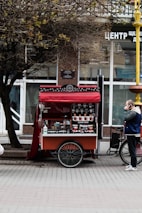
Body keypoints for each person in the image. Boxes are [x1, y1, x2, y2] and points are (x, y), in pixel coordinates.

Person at [124, 99, 141, 171]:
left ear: (130, 105)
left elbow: (125, 118)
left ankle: (133, 166)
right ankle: (132, 164)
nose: (125, 106)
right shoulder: (136, 112)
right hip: (134, 132)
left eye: (126, 105)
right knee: (132, 149)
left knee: (132, 150)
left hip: (132, 132)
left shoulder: (134, 112)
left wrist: (125, 110)